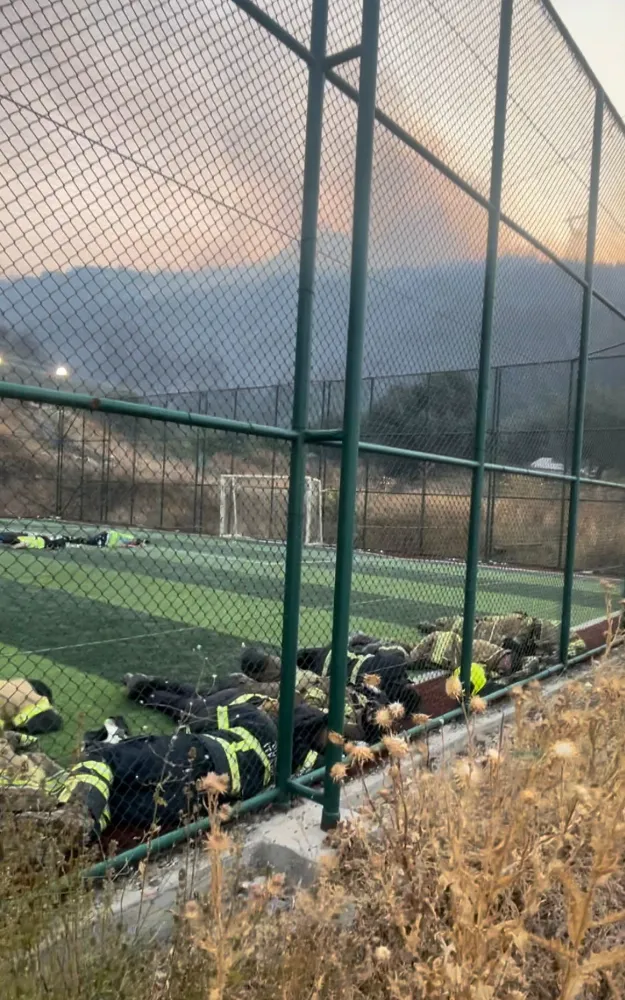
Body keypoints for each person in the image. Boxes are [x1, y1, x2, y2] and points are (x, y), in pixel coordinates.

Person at [67, 529, 148, 548]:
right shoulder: (130, 538)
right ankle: (71, 540)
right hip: (106, 537)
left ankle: (72, 540)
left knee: (90, 542)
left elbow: (127, 545)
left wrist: (137, 545)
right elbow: (126, 545)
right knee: (90, 541)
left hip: (106, 539)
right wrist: (138, 545)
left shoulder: (130, 540)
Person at [0, 531, 67, 550]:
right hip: (40, 540)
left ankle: (64, 540)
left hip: (41, 541)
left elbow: (25, 544)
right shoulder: (18, 539)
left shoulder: (18, 539)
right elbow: (25, 543)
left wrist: (14, 547)